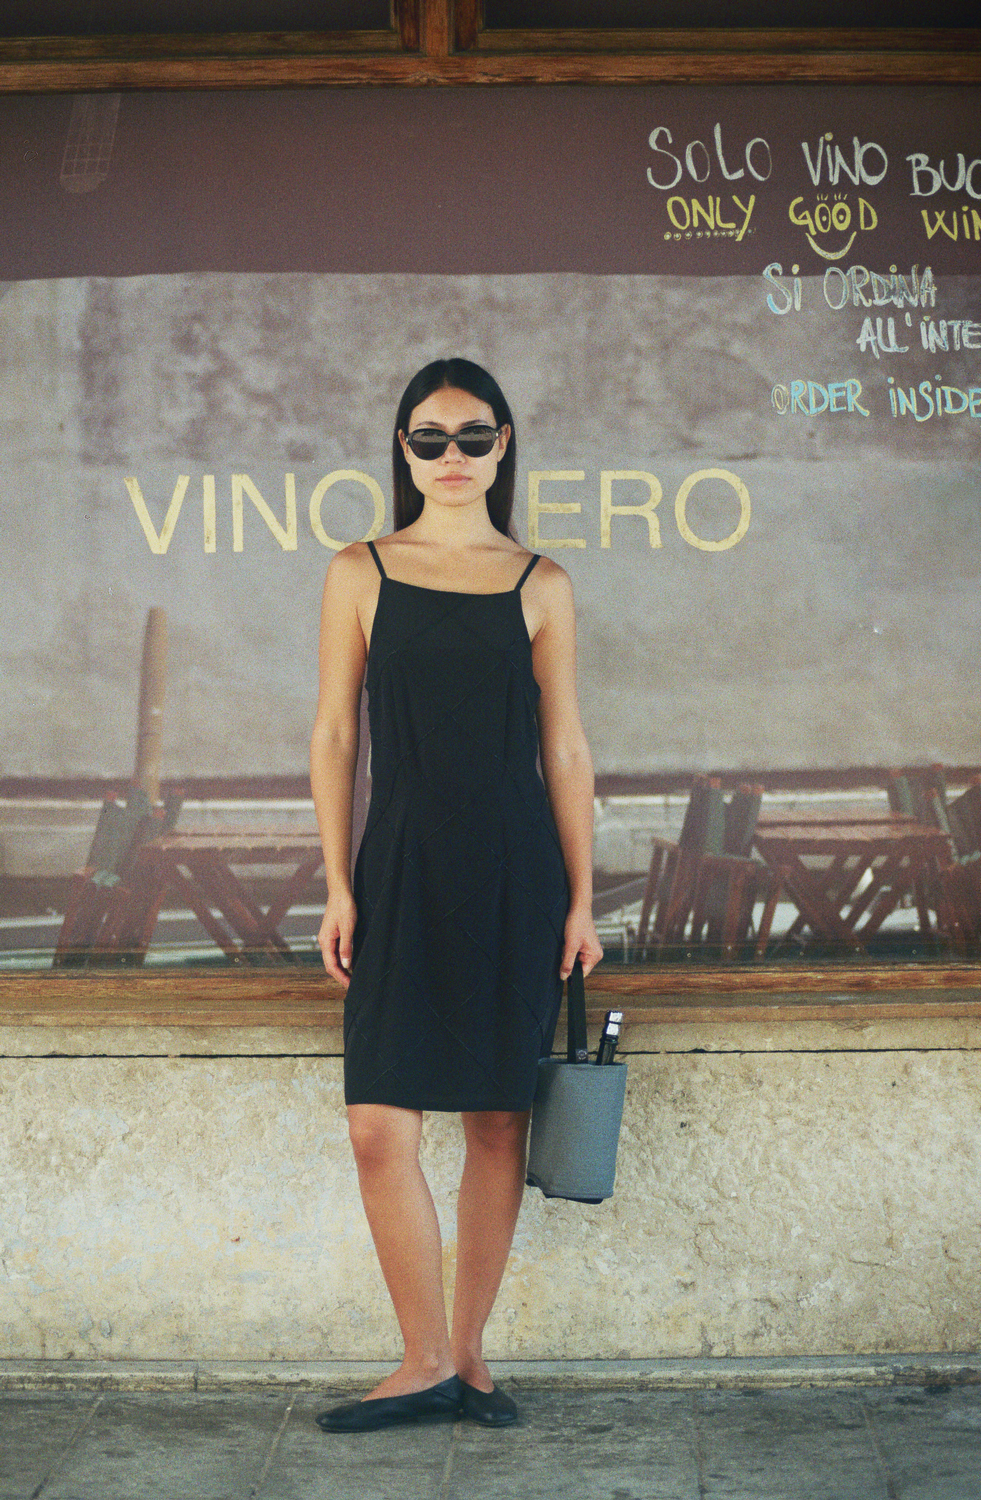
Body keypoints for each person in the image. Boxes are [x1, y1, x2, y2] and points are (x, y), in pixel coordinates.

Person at [309, 357, 602, 1432]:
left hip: (515, 873)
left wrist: (580, 900)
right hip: (395, 870)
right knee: (378, 1129)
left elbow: (565, 748)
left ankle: (466, 1361)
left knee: (492, 1121)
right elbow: (336, 734)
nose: (449, 457)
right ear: (401, 449)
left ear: (503, 446)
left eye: (471, 437)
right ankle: (419, 1356)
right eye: (427, 438)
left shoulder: (541, 584)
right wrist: (338, 884)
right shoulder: (358, 571)